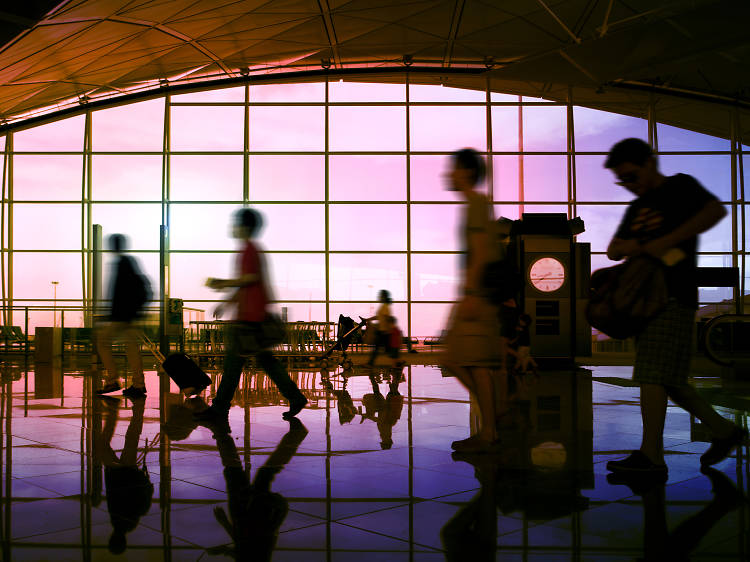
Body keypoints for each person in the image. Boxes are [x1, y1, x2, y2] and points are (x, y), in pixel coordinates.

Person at [603, 138, 747, 477]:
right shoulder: (637, 208)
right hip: (645, 301)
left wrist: (665, 242)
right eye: (622, 180)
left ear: (650, 164)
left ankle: (651, 455)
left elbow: (714, 211)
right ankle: (725, 431)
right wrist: (644, 245)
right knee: (670, 380)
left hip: (672, 296)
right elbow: (613, 249)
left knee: (652, 374)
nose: (629, 185)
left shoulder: (680, 186)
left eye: (632, 176)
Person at [195, 208, 307, 429]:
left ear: (245, 227)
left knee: (233, 364)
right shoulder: (251, 250)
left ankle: (219, 408)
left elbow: (249, 278)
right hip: (253, 315)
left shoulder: (248, 250)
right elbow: (248, 283)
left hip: (249, 318)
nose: (233, 227)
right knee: (265, 361)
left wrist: (222, 283)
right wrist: (227, 302)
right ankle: (295, 397)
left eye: (236, 223)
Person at [444, 148, 507, 454]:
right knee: (459, 359)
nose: (448, 173)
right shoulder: (474, 203)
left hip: (476, 294)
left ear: (467, 171)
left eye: (453, 168)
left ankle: (492, 427)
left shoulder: (477, 203)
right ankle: (495, 418)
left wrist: (471, 293)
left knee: (472, 363)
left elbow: (482, 249)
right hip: (473, 292)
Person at [96, 234, 150, 398]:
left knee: (103, 342)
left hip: (123, 316)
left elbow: (120, 293)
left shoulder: (122, 263)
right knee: (132, 348)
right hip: (130, 315)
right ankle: (138, 385)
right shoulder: (128, 262)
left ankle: (113, 380)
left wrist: (112, 314)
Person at [366, 290, 397, 367]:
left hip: (384, 331)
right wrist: (368, 319)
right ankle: (398, 362)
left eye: (380, 295)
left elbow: (387, 318)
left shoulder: (385, 307)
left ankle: (370, 363)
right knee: (386, 350)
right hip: (382, 331)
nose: (379, 297)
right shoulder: (383, 306)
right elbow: (379, 317)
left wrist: (388, 329)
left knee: (378, 349)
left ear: (383, 297)